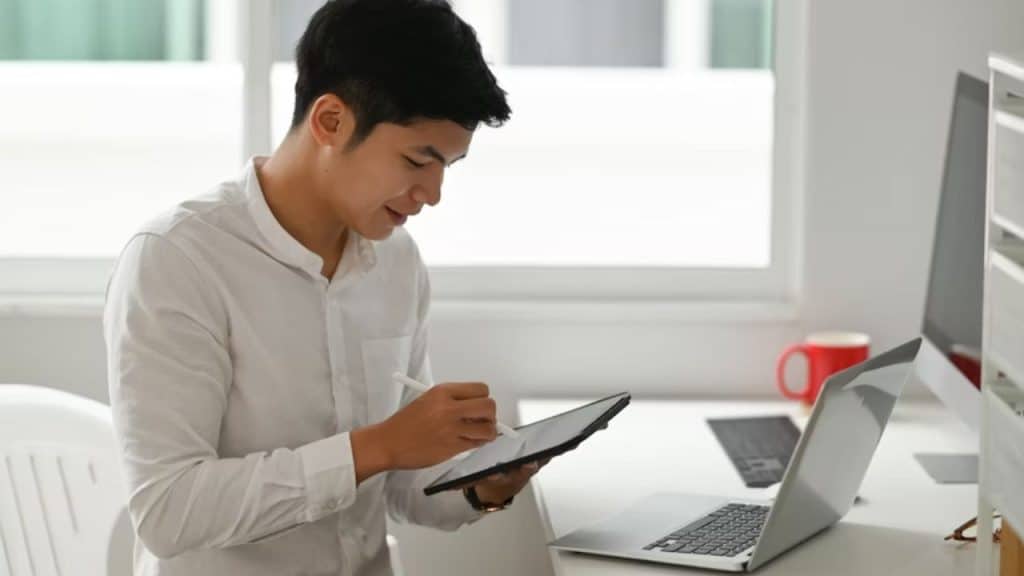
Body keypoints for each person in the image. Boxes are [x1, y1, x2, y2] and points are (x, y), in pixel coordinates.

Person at [103, 1, 537, 574]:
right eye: (417, 160)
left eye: (446, 168)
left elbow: (401, 487)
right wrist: (376, 446)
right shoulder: (177, 259)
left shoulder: (396, 261)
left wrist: (482, 485)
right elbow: (168, 512)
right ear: (331, 121)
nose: (431, 194)